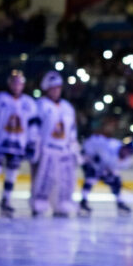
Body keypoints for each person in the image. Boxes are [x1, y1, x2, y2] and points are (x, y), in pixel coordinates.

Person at [0, 70, 37, 217]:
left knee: (12, 174)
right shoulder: (0, 99)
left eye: (19, 83)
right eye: (14, 82)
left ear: (23, 85)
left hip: (18, 144)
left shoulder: (29, 103)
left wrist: (31, 144)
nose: (16, 86)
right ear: (9, 83)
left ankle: (6, 199)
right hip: (0, 141)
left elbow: (33, 127)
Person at [31, 71, 79, 218]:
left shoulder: (67, 107)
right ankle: (40, 204)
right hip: (47, 149)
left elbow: (72, 130)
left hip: (64, 150)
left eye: (58, 87)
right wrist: (34, 147)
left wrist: (74, 149)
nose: (56, 90)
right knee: (44, 179)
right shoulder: (40, 105)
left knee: (66, 180)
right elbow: (35, 129)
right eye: (53, 87)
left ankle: (63, 204)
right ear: (46, 89)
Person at [79, 134, 133, 216]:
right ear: (123, 147)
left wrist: (111, 177)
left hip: (102, 166)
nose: (127, 153)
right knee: (91, 178)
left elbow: (113, 170)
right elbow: (96, 158)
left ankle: (120, 203)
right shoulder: (110, 146)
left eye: (130, 152)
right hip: (90, 158)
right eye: (127, 149)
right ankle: (83, 202)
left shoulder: (126, 162)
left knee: (116, 181)